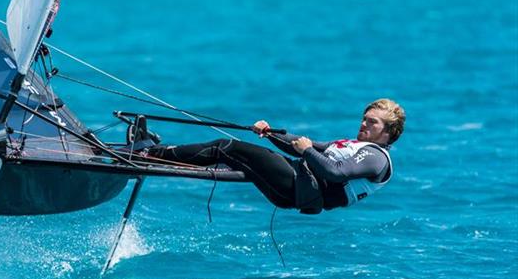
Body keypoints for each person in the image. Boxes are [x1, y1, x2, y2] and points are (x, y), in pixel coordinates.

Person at [143, 99, 405, 214]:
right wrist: (270, 133)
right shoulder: (353, 144)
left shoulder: (376, 158)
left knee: (228, 147)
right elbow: (301, 145)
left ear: (389, 132)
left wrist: (307, 150)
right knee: (233, 156)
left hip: (299, 188)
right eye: (363, 118)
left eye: (372, 123)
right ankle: (150, 156)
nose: (363, 124)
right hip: (296, 179)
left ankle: (148, 154)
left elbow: (334, 172)